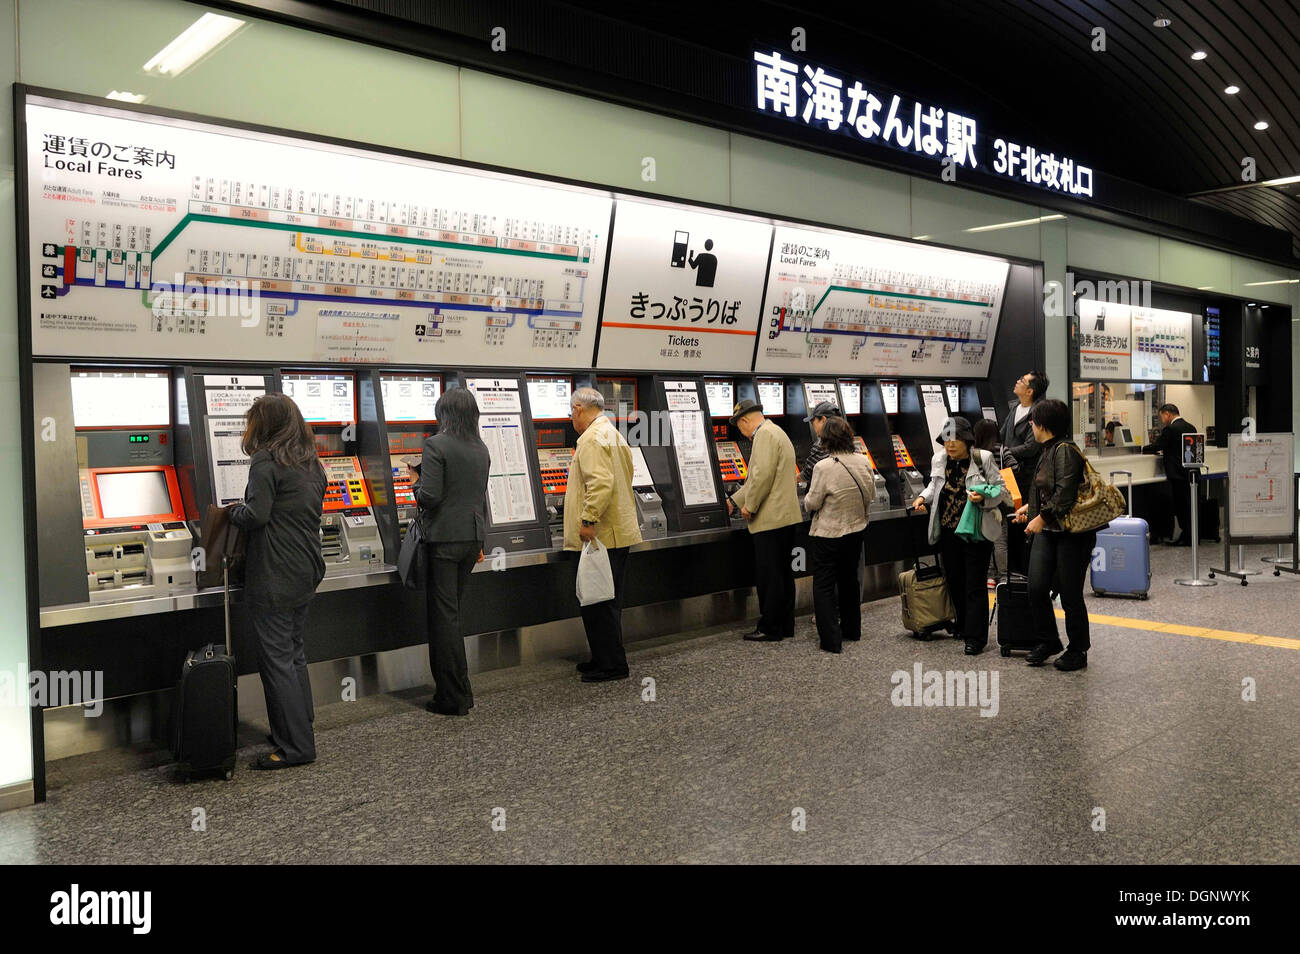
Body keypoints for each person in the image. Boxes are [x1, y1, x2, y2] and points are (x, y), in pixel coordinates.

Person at [226, 393, 327, 770]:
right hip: (306, 567)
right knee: (295, 652)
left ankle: (295, 747)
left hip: (275, 572)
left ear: (264, 425)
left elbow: (257, 514)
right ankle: (300, 728)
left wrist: (233, 511)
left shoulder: (266, 460)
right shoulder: (311, 463)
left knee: (277, 661)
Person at [415, 387, 490, 716]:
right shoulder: (481, 448)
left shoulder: (436, 445)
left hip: (444, 540)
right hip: (471, 538)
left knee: (443, 619)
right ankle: (462, 692)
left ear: (443, 414)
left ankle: (451, 698)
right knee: (453, 614)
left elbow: (429, 496)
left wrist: (415, 483)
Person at [565, 387, 643, 682]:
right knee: (605, 599)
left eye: (571, 411)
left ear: (579, 409)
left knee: (599, 601)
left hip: (601, 534)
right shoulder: (612, 433)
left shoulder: (592, 439)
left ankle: (612, 665)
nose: (571, 417)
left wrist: (587, 519)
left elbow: (600, 484)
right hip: (616, 531)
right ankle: (601, 656)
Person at [912, 416, 1006, 655]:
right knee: (954, 579)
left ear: (967, 440)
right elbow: (934, 486)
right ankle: (963, 625)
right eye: (946, 439)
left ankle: (976, 637)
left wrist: (983, 498)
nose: (950, 444)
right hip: (948, 529)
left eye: (955, 439)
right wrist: (923, 497)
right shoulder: (940, 460)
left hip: (976, 530)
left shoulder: (981, 458)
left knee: (974, 583)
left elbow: (1000, 489)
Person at [1012, 398, 1092, 671]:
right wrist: (1030, 508)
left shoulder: (1065, 450)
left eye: (1033, 421)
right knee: (1036, 586)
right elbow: (1045, 491)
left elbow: (1063, 497)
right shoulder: (1047, 449)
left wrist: (1039, 517)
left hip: (1071, 533)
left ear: (1043, 424)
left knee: (1070, 593)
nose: (1031, 425)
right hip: (1049, 530)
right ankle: (1048, 640)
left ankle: (1078, 649)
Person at [728, 399, 802, 642]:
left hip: (771, 520)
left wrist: (749, 506)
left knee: (769, 576)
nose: (742, 433)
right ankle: (785, 625)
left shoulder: (764, 435)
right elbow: (762, 478)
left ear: (745, 420)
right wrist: (734, 501)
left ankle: (770, 627)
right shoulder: (777, 431)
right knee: (783, 574)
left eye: (740, 427)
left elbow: (761, 477)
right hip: (786, 518)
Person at [804, 416, 874, 653]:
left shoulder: (823, 467)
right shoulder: (863, 461)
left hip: (828, 534)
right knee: (849, 581)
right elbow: (872, 494)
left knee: (824, 585)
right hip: (855, 531)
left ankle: (831, 640)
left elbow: (812, 502)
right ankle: (852, 630)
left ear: (826, 440)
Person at [1141, 403, 1196, 545]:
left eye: (1162, 417)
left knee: (1181, 507)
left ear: (1168, 414)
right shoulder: (1191, 427)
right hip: (1191, 472)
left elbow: (1158, 445)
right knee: (1190, 505)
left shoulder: (1171, 429)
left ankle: (1186, 537)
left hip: (1177, 474)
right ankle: (1192, 535)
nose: (1162, 420)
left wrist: (1143, 449)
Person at [973, 418, 1008, 587]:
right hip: (998, 501)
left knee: (984, 539)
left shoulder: (974, 453)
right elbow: (1014, 467)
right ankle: (1003, 577)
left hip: (979, 500)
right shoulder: (1001, 450)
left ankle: (989, 576)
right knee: (1000, 541)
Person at [1000, 370, 1049, 476]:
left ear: (1029, 392)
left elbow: (1030, 447)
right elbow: (1002, 433)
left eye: (1022, 381)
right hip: (1008, 468)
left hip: (1026, 473)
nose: (1017, 381)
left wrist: (1004, 452)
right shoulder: (1014, 407)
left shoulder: (1037, 413)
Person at [798, 401, 843, 489]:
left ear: (823, 420)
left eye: (813, 421)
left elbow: (807, 474)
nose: (812, 425)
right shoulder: (849, 441)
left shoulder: (822, 444)